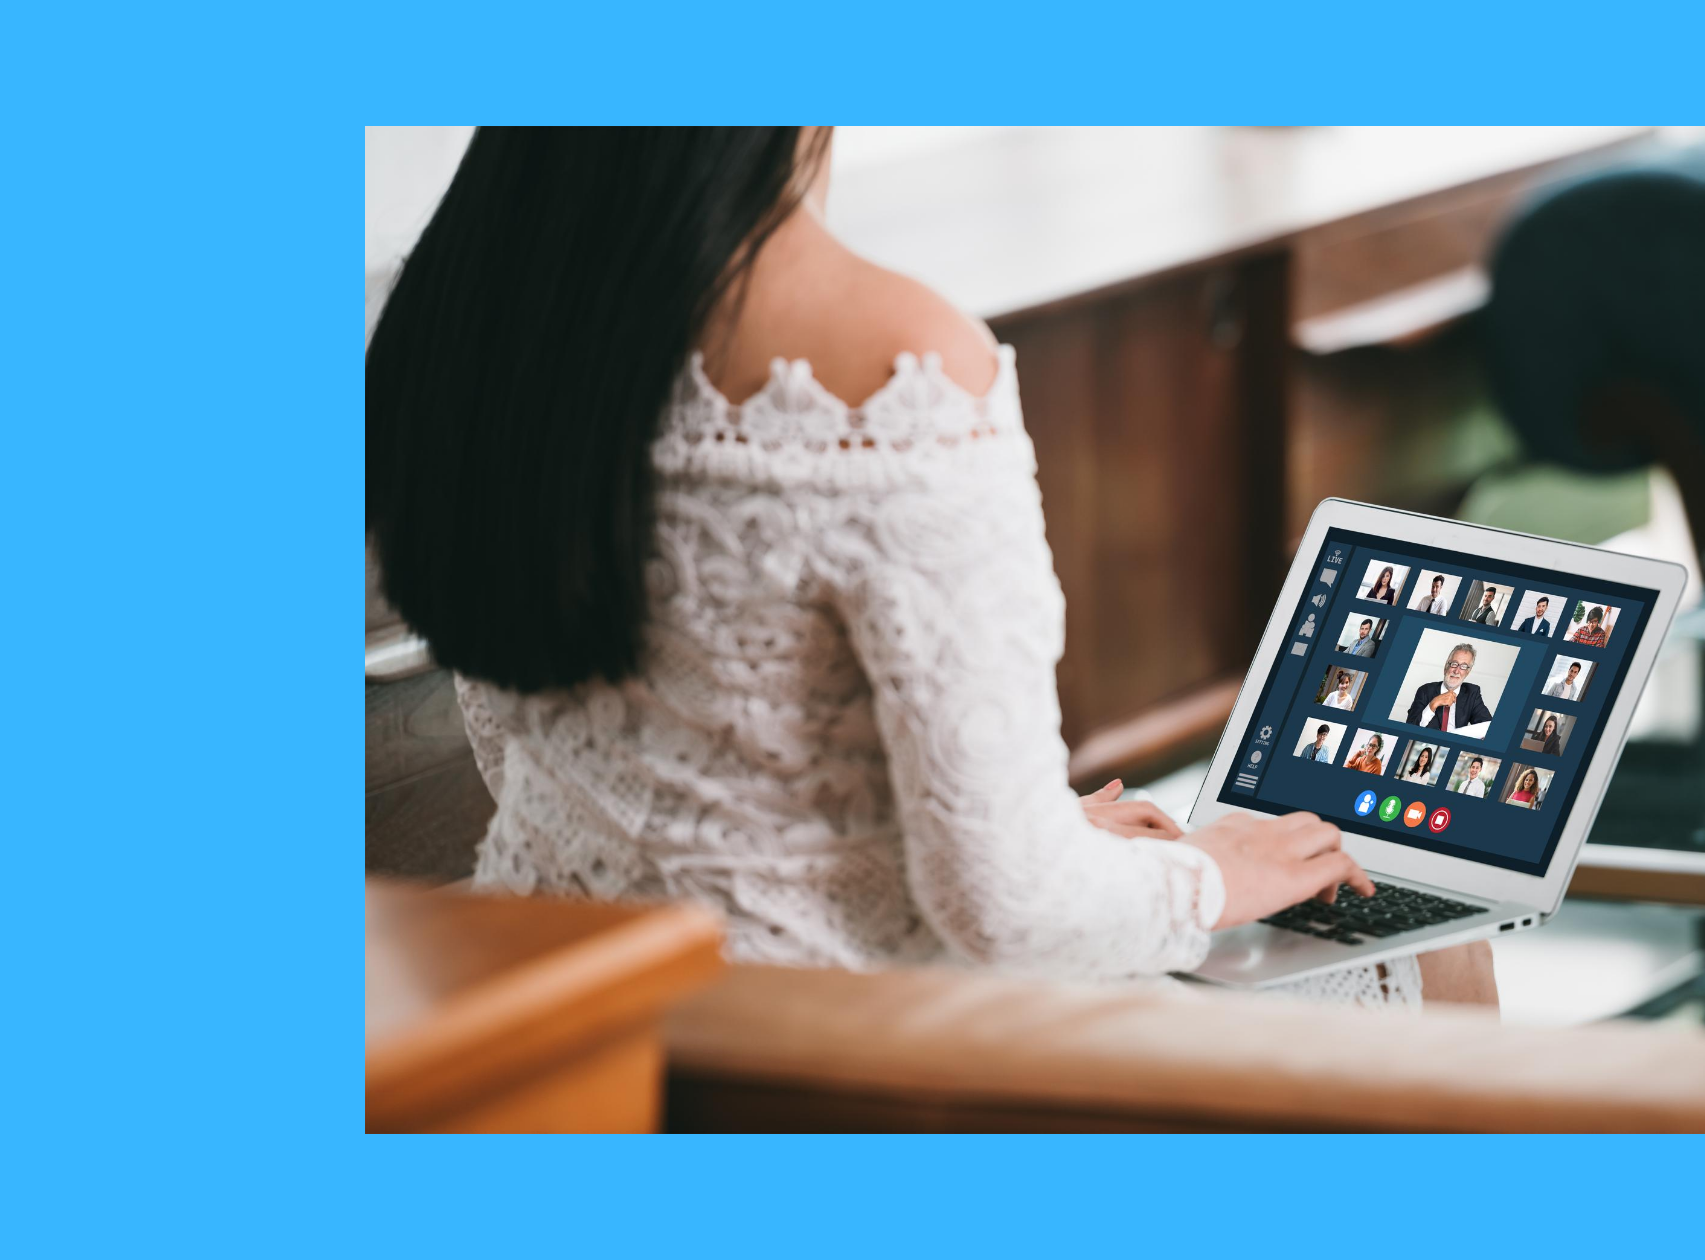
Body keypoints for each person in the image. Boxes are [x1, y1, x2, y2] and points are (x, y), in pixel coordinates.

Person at [365, 128, 1495, 1010]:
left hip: (561, 989)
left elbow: (551, 749)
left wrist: (966, 837)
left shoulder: (463, 313)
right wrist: (1215, 876)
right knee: (1435, 963)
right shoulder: (891, 357)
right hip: (813, 1048)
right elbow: (1008, 911)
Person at [1405, 643, 1497, 731]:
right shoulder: (1425, 691)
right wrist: (1433, 704)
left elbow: (1487, 726)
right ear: (1446, 666)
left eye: (1463, 666)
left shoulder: (1472, 693)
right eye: (1454, 664)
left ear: (1468, 672)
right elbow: (1410, 727)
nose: (1457, 671)